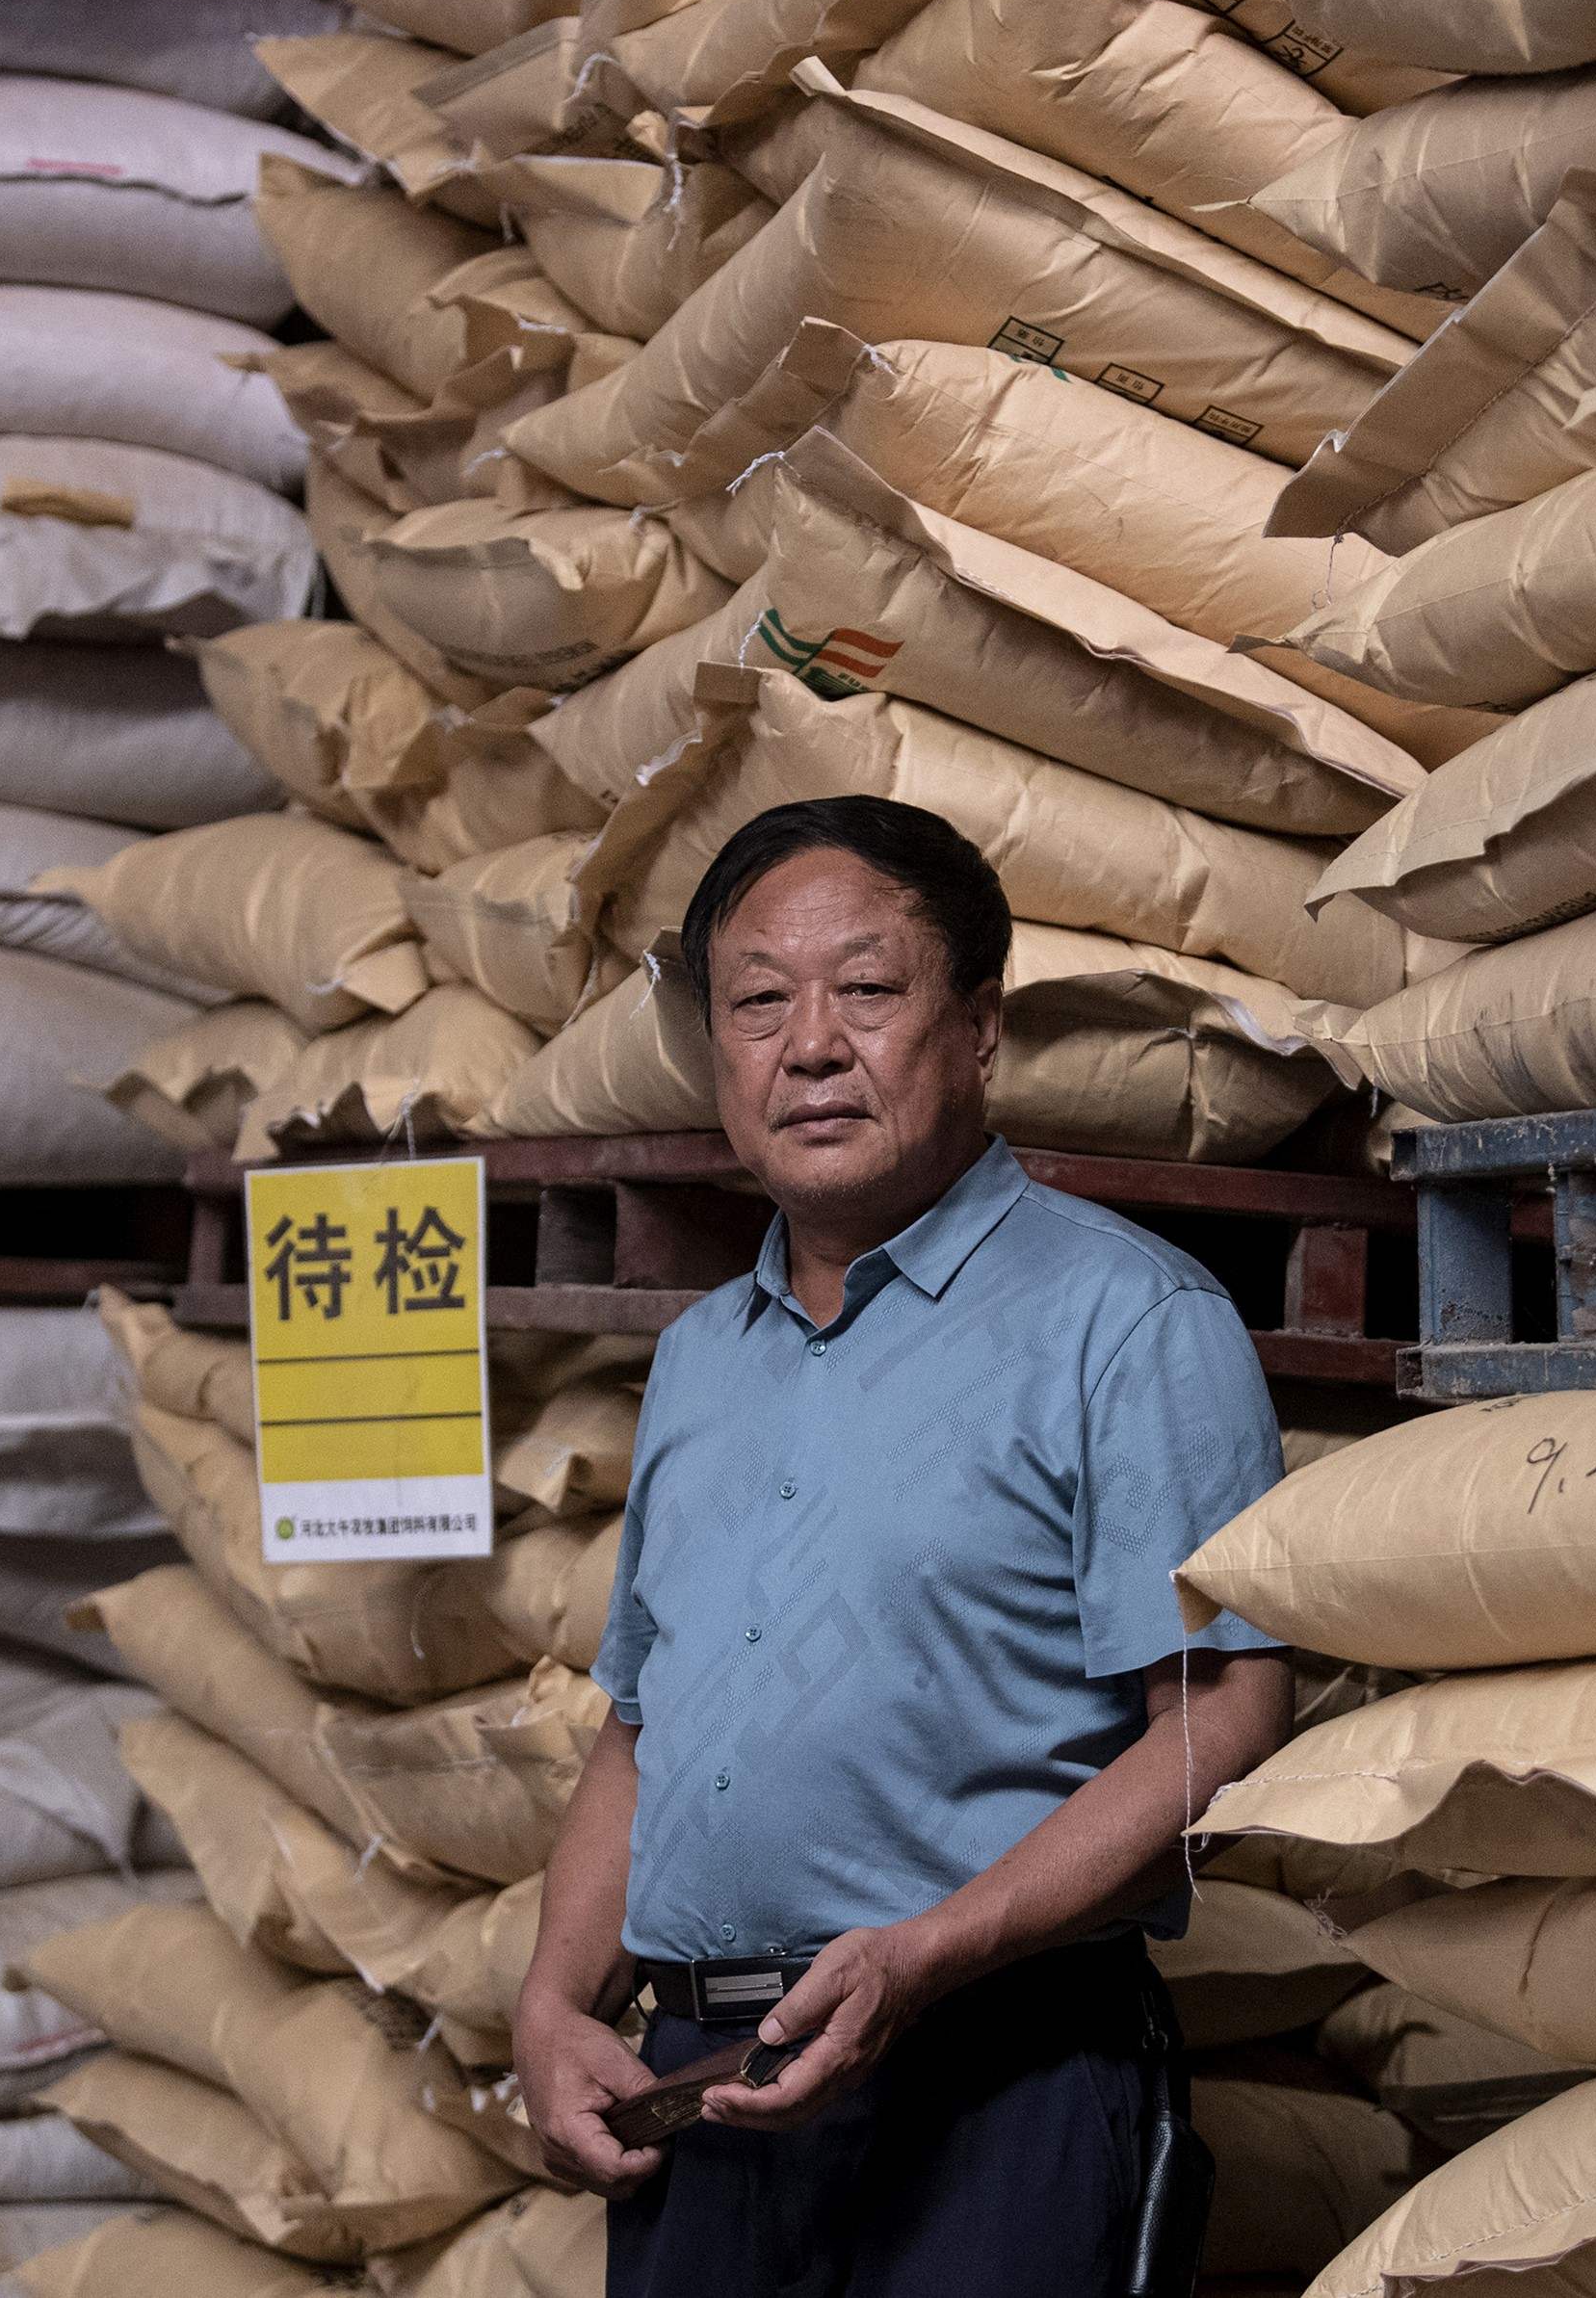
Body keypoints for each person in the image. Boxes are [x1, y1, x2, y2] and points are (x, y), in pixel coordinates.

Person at [514, 794, 1295, 2297]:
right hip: (701, 2096)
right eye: (757, 1002)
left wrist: (927, 1953)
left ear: (980, 1023)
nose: (810, 1044)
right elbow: (640, 1725)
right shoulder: (698, 1360)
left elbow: (1225, 1712)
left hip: (985, 2072)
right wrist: (554, 2002)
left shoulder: (1125, 1322)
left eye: (866, 990)